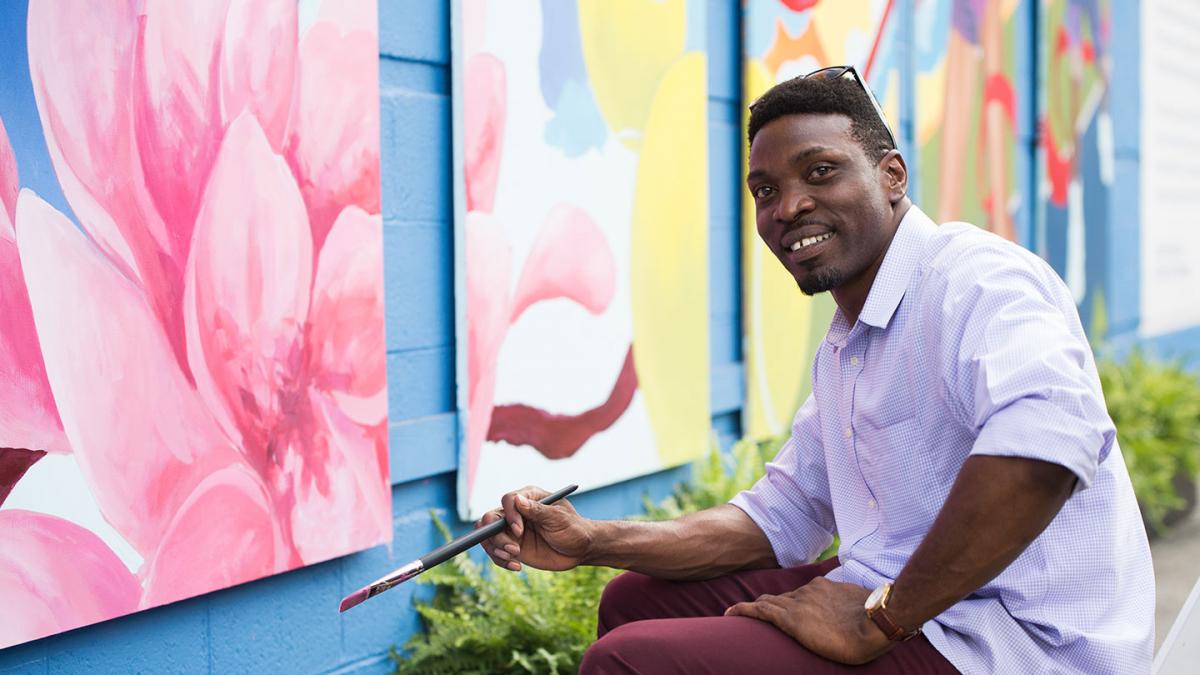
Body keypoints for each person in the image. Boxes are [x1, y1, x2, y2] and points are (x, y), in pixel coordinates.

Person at [477, 66, 1153, 673]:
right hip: (921, 606)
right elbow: (782, 516)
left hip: (1016, 641)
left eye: (820, 171)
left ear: (892, 175)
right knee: (632, 601)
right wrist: (591, 539)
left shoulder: (977, 282)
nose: (788, 206)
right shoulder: (846, 344)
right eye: (765, 189)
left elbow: (1043, 451)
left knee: (626, 661)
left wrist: (879, 619)